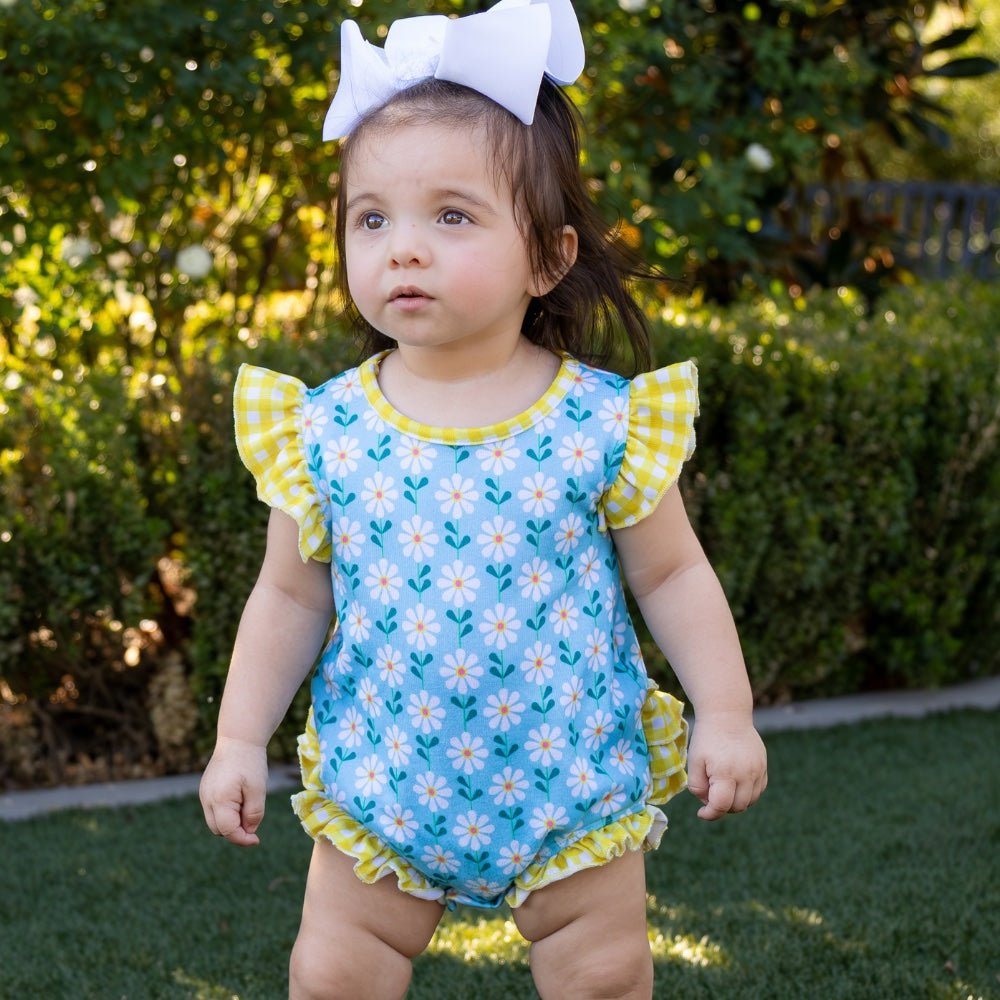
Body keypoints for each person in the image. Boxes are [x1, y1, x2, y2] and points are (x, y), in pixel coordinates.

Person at [199, 2, 767, 997]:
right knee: (333, 975)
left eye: (451, 216)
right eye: (372, 218)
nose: (403, 248)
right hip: (386, 781)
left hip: (568, 776)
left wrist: (726, 712)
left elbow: (673, 573)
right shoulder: (326, 431)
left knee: (602, 974)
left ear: (548, 257)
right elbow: (289, 594)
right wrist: (238, 737)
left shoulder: (599, 423)